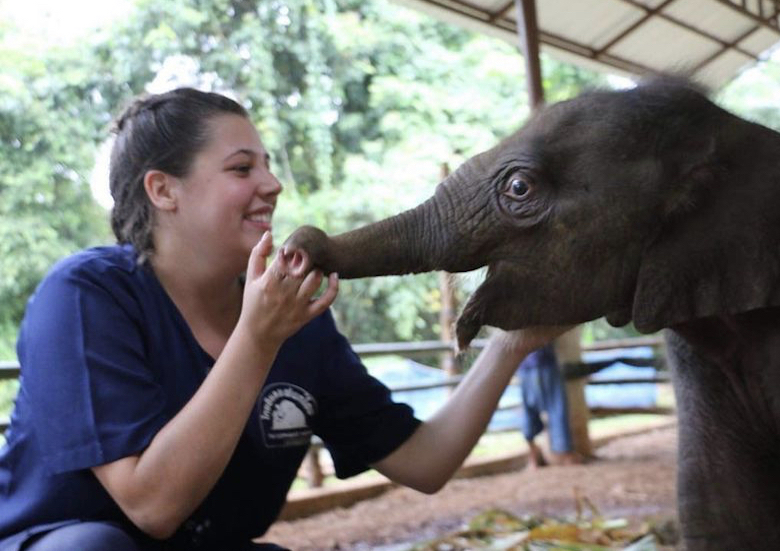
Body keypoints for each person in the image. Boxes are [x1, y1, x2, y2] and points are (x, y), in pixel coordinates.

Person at [0, 87, 568, 551]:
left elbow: (426, 462)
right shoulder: (87, 295)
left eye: (267, 167)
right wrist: (257, 337)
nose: (271, 185)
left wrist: (512, 344)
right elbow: (152, 507)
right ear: (163, 189)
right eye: (242, 168)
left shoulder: (296, 320)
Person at [518, 340, 582, 468]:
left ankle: (533, 456)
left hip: (523, 366)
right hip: (544, 363)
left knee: (529, 410)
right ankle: (566, 454)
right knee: (557, 408)